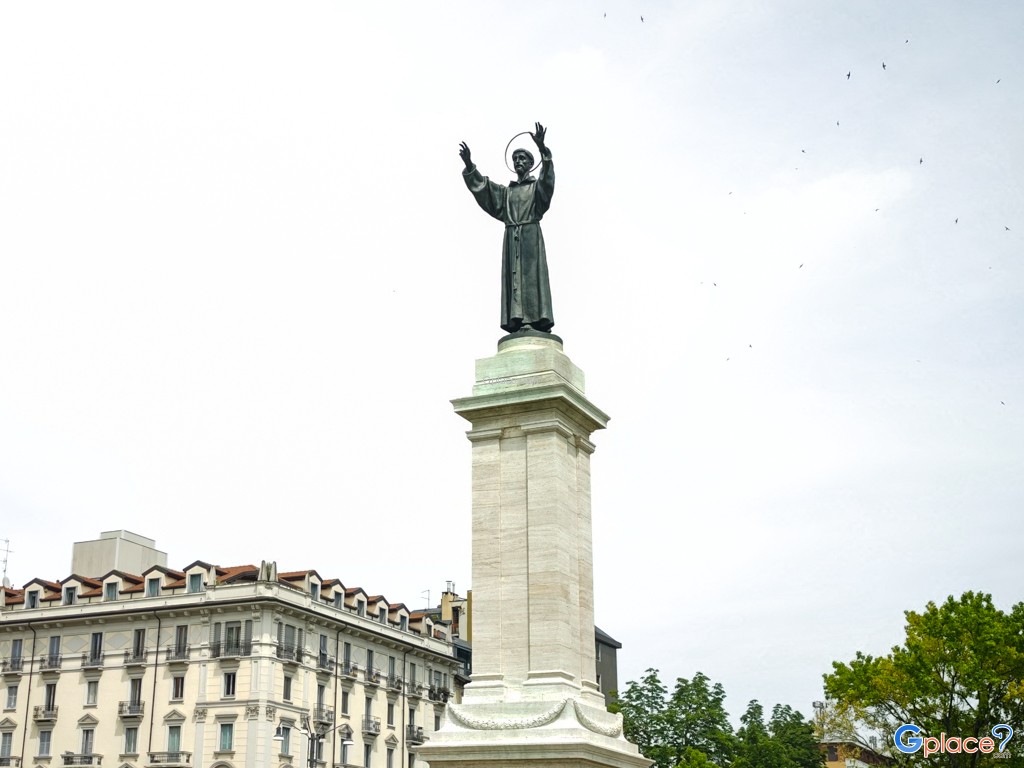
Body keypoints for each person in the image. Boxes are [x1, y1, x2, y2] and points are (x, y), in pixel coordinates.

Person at [459, 122, 555, 334]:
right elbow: (484, 188)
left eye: (522, 158)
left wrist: (542, 149)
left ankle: (535, 320)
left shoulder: (536, 188)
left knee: (531, 278)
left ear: (531, 164)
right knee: (515, 279)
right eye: (515, 159)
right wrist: (470, 165)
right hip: (512, 238)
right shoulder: (506, 193)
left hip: (530, 238)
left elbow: (547, 180)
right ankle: (518, 320)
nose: (518, 161)